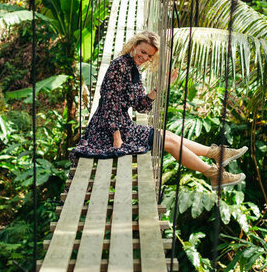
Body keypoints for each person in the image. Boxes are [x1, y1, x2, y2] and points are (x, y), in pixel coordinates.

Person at [73, 30, 247, 189]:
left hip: (122, 124)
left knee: (167, 135)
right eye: (143, 52)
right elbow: (109, 103)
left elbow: (141, 106)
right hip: (106, 129)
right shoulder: (120, 65)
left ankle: (216, 154)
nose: (145, 57)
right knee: (167, 142)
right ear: (134, 46)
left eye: (149, 55)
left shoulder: (134, 68)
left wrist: (161, 87)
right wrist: (116, 136)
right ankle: (214, 174)